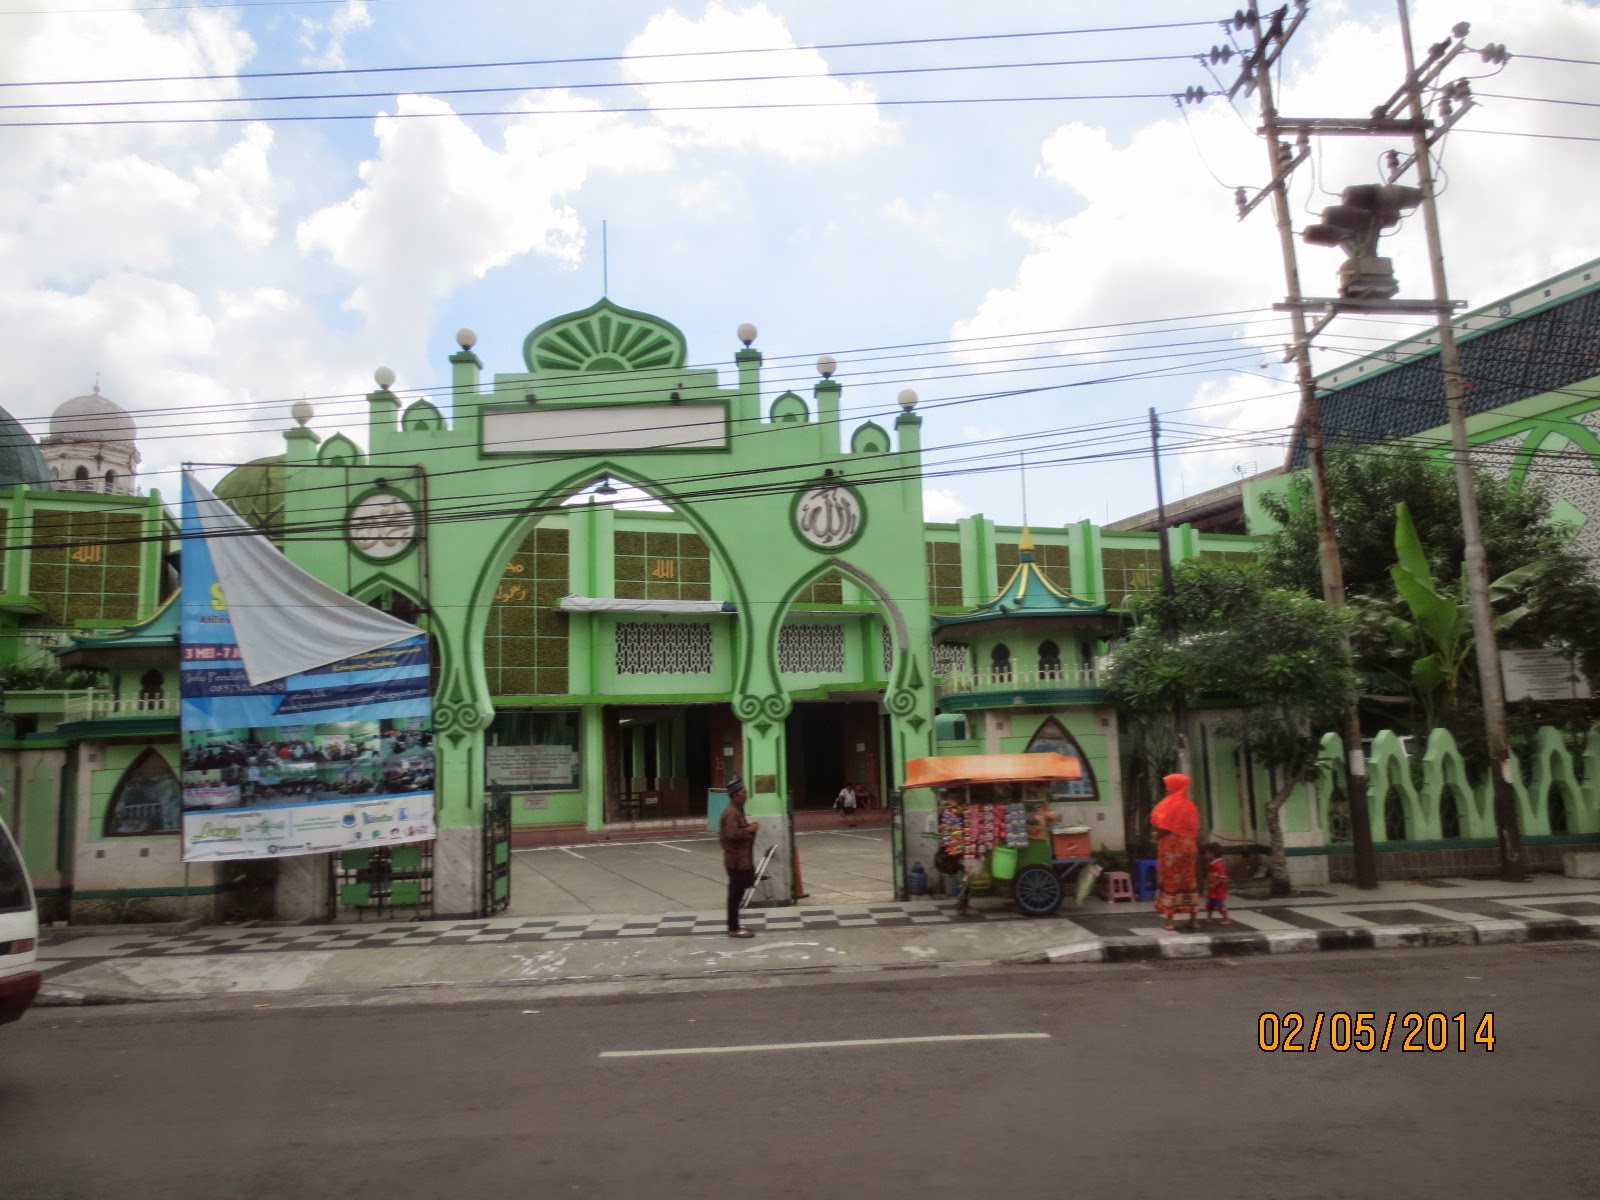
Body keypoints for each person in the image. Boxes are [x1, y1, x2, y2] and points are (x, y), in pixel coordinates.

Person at [1150, 773, 1201, 932]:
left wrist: (1157, 835)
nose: (1166, 789)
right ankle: (1193, 920)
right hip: (1189, 850)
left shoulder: (1169, 805)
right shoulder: (1190, 806)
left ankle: (1170, 921)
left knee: (1171, 883)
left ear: (1175, 786)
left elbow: (1165, 827)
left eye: (1168, 786)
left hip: (1172, 851)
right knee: (1189, 882)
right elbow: (1195, 829)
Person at [719, 775, 759, 938]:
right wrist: (749, 830)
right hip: (735, 861)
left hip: (741, 860)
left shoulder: (737, 810)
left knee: (739, 892)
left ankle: (734, 925)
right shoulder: (731, 812)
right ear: (736, 795)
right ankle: (733, 928)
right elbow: (731, 834)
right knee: (735, 895)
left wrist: (749, 827)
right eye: (744, 792)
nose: (746, 795)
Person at [1205, 842, 1232, 925]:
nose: (1205, 855)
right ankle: (1209, 917)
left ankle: (1226, 918)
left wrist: (1214, 884)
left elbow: (1222, 877)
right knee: (1210, 904)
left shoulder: (1219, 864)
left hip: (1219, 890)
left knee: (1220, 905)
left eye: (1207, 853)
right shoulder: (1212, 864)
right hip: (1212, 889)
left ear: (1212, 853)